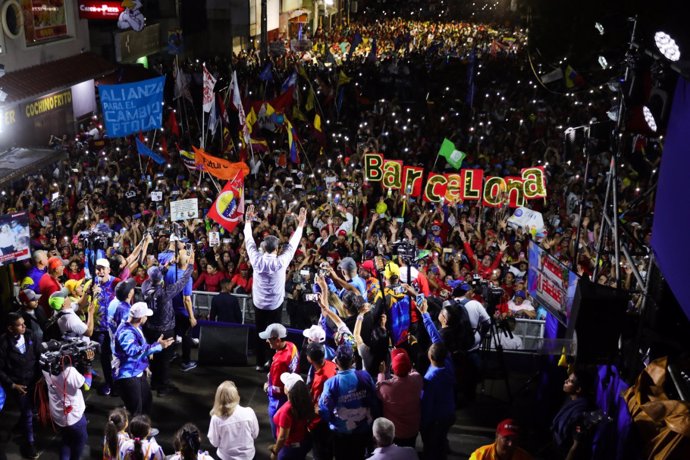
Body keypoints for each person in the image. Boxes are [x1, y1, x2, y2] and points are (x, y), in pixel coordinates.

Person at [244, 205, 307, 371]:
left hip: (259, 304)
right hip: (275, 306)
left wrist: (248, 221)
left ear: (263, 248)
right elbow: (293, 245)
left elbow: (248, 239)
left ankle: (259, 363)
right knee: (274, 334)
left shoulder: (256, 260)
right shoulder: (281, 262)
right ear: (277, 249)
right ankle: (274, 362)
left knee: (260, 333)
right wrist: (300, 226)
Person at [141, 251, 194, 396]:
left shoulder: (145, 286)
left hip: (150, 328)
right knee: (164, 360)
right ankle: (163, 387)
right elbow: (182, 281)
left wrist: (167, 265)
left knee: (154, 357)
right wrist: (190, 265)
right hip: (166, 330)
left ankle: (154, 382)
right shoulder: (166, 292)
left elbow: (157, 275)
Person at [112, 302, 175, 416]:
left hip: (137, 371)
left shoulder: (133, 325)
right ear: (141, 318)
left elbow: (140, 348)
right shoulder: (126, 333)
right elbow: (135, 352)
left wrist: (144, 364)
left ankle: (144, 429)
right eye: (146, 316)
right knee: (136, 409)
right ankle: (137, 432)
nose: (147, 318)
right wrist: (158, 346)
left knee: (146, 402)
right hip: (127, 376)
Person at [319, 343, 378, 460]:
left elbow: (325, 410)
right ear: (353, 360)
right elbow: (373, 400)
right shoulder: (365, 376)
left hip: (341, 434)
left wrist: (333, 421)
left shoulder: (331, 384)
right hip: (363, 431)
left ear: (336, 361)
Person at [418, 299, 456, 460]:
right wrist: (424, 314)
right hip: (449, 413)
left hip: (436, 419)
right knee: (440, 440)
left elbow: (426, 404)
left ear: (430, 356)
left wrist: (422, 424)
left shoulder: (429, 379)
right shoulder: (447, 362)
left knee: (431, 447)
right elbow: (435, 337)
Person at [0, 312, 41, 459]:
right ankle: (29, 444)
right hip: (19, 385)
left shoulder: (30, 335)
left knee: (32, 410)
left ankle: (22, 425)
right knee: (28, 413)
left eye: (24, 323)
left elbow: (38, 355)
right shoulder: (3, 344)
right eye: (20, 325)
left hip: (34, 381)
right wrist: (12, 385)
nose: (24, 326)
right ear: (10, 329)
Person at [41, 348, 94, 460]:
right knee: (81, 439)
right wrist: (88, 366)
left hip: (57, 414)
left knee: (66, 439)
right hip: (74, 417)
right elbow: (86, 386)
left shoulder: (46, 368)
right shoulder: (70, 372)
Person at [376, 348, 423, 448]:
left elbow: (379, 387)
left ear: (393, 368)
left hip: (395, 433)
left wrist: (381, 373)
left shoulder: (386, 387)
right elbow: (414, 372)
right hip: (413, 429)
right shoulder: (417, 379)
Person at [259, 323, 299, 438]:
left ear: (278, 339)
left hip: (279, 401)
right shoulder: (292, 346)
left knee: (279, 431)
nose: (267, 341)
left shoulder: (278, 363)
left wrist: (267, 387)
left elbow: (277, 390)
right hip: (293, 390)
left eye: (269, 339)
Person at [91, 257, 121, 396]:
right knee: (104, 358)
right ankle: (109, 383)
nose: (100, 271)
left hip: (115, 328)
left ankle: (119, 384)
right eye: (98, 269)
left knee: (117, 356)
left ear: (109, 269)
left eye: (103, 268)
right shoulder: (92, 283)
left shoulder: (116, 283)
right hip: (100, 329)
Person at [208, 380, 260, 460]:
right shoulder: (249, 412)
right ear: (236, 394)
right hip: (248, 457)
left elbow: (214, 443)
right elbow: (255, 434)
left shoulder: (216, 418)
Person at [165, 248, 198, 372]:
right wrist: (191, 316)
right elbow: (187, 299)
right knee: (186, 337)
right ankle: (186, 362)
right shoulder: (187, 278)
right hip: (183, 313)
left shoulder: (169, 270)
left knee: (172, 334)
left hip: (170, 309)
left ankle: (171, 355)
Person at [551, 371, 593, 460]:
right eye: (567, 378)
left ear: (578, 389)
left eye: (570, 381)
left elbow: (576, 446)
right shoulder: (571, 399)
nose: (565, 381)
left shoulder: (580, 412)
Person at [305, 342, 337, 460]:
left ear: (309, 359)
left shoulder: (321, 379)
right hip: (332, 418)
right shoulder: (331, 365)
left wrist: (311, 425)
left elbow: (318, 406)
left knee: (321, 453)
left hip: (321, 424)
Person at [271, 374, 314, 460]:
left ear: (288, 390)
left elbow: (283, 437)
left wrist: (275, 452)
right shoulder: (306, 401)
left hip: (289, 450)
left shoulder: (286, 410)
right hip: (302, 444)